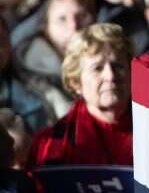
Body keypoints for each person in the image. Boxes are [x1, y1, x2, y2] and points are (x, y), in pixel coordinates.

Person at [26, 23, 133, 168]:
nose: (110, 76)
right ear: (76, 82)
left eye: (118, 66)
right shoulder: (49, 144)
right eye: (98, 68)